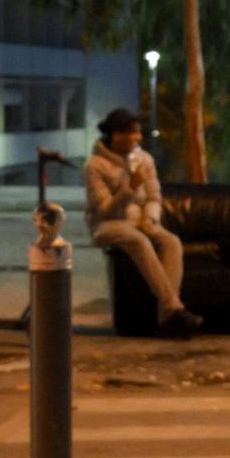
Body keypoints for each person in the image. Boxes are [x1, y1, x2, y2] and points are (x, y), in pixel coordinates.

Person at [85, 109, 203, 339]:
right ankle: (174, 311)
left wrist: (150, 218)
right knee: (138, 241)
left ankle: (167, 315)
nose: (138, 138)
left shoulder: (144, 159)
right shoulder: (95, 165)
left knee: (171, 241)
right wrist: (129, 188)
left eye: (139, 133)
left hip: (140, 221)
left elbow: (154, 196)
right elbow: (104, 209)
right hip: (108, 224)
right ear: (116, 135)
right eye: (132, 133)